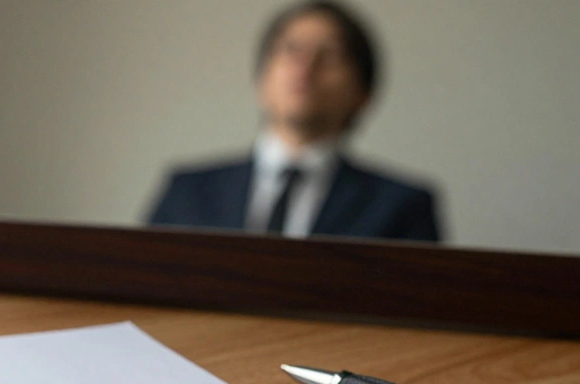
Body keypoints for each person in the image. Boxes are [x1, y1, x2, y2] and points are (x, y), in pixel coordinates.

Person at [148, 1, 442, 243]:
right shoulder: (187, 192)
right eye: (290, 49)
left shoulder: (402, 207)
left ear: (362, 94)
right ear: (260, 80)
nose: (305, 67)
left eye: (329, 54)